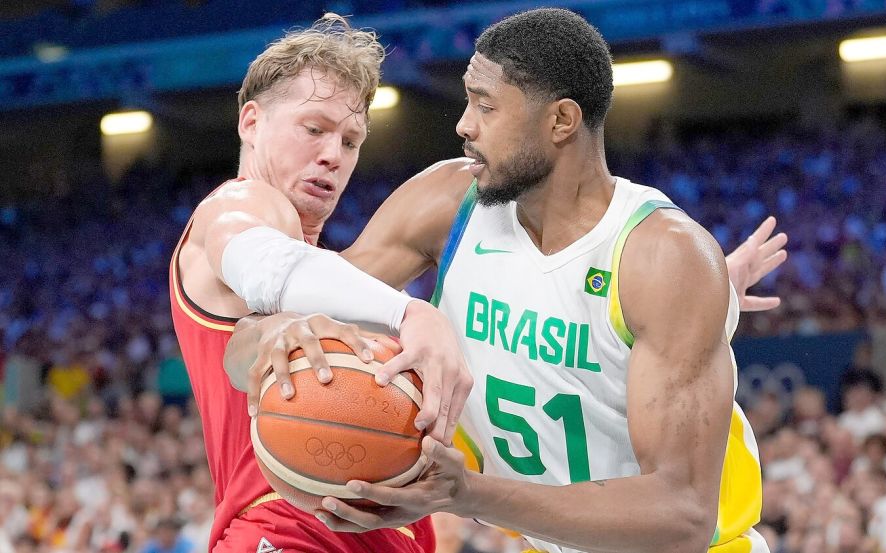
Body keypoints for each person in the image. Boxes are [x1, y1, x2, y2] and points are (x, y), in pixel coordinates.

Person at [227, 9, 788, 553]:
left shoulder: (663, 257)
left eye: (486, 106)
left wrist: (467, 494)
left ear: (561, 122)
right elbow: (241, 346)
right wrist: (275, 337)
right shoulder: (448, 205)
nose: (463, 125)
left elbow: (682, 520)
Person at [169, 13, 472, 553]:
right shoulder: (238, 204)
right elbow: (261, 284)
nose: (333, 154)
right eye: (314, 128)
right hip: (286, 530)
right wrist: (414, 313)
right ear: (251, 122)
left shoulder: (329, 274)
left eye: (351, 140)